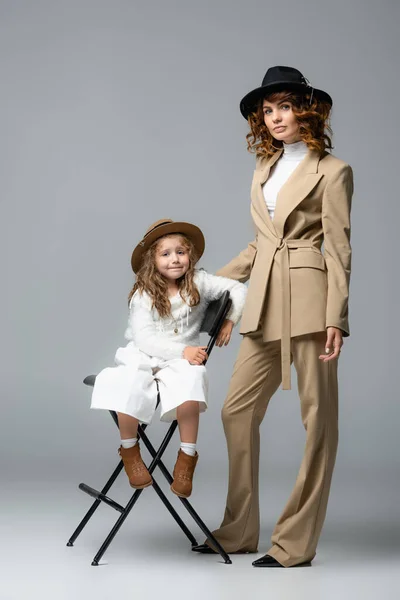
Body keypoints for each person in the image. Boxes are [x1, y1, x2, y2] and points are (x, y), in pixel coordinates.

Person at [192, 66, 354, 567]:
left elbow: (339, 249)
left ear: (307, 110)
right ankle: (240, 530)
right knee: (236, 411)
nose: (276, 117)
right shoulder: (264, 169)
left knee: (319, 421)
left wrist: (337, 316)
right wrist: (202, 284)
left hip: (309, 302)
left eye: (284, 106)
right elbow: (259, 244)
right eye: (268, 110)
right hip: (262, 302)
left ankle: (295, 542)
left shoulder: (334, 171)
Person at [90, 219, 247, 498]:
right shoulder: (144, 293)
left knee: (193, 378)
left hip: (180, 360)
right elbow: (144, 339)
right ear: (153, 260)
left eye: (180, 252)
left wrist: (230, 321)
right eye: (165, 254)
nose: (174, 259)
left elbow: (239, 289)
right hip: (145, 353)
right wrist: (183, 351)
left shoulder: (199, 281)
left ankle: (186, 459)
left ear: (190, 256)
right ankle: (130, 450)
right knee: (127, 381)